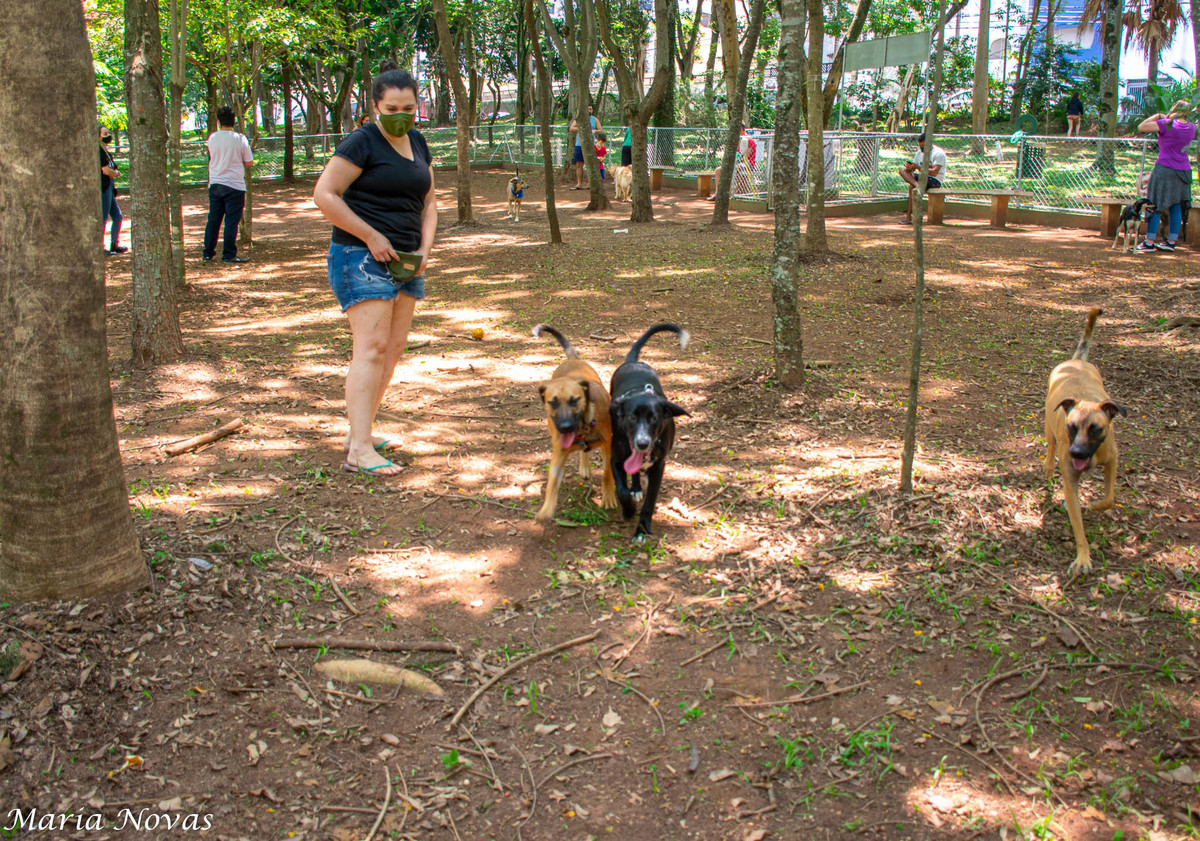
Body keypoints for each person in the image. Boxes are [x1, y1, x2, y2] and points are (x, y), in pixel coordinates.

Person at [313, 62, 437, 477]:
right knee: (371, 348)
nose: (401, 114)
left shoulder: (418, 142)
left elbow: (430, 201)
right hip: (360, 256)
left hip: (407, 260)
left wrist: (424, 247)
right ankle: (359, 451)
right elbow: (325, 194)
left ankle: (358, 434)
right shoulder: (361, 142)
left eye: (408, 106)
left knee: (393, 348)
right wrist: (370, 235)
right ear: (374, 107)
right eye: (391, 107)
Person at [1136, 100, 1195, 254]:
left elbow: (1141, 126)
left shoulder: (1166, 123)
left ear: (1174, 108)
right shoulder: (1191, 127)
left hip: (1165, 169)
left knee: (1155, 203)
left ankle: (1148, 242)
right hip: (1184, 170)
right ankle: (1171, 242)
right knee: (1176, 204)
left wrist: (1158, 115)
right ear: (1187, 112)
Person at [203, 105, 254, 264]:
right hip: (235, 185)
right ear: (234, 121)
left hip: (216, 183)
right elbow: (249, 162)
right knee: (232, 221)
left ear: (218, 121)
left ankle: (208, 252)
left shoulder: (212, 138)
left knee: (214, 219)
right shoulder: (240, 139)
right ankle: (228, 254)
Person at [898, 133, 947, 224]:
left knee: (911, 188)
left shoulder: (938, 153)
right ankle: (916, 185)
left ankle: (909, 216)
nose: (922, 148)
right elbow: (914, 167)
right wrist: (910, 167)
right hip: (922, 178)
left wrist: (918, 168)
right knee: (902, 170)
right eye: (920, 146)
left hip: (934, 180)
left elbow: (934, 172)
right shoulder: (919, 153)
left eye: (924, 146)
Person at [707, 123, 758, 201]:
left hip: (747, 165)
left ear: (741, 129)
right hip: (736, 163)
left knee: (732, 170)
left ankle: (729, 194)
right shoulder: (737, 139)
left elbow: (746, 156)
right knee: (718, 170)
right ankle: (717, 194)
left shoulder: (748, 140)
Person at [99, 127, 127, 255]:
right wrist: (115, 174)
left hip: (110, 185)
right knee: (103, 217)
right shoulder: (98, 151)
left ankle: (114, 244)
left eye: (109, 133)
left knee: (117, 216)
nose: (108, 136)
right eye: (105, 134)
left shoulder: (106, 152)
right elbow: (105, 170)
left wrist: (114, 173)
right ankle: (100, 246)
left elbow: (113, 168)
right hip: (103, 186)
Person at [568, 103, 601, 190]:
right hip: (579, 144)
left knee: (590, 164)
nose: (589, 111)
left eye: (590, 109)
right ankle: (579, 184)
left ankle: (591, 184)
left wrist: (594, 131)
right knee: (579, 164)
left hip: (591, 144)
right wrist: (581, 128)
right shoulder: (579, 119)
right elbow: (571, 128)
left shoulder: (595, 120)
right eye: (587, 109)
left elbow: (600, 130)